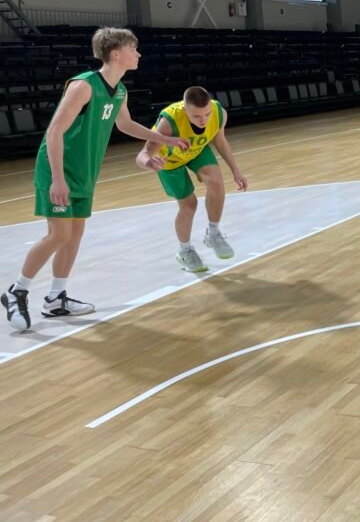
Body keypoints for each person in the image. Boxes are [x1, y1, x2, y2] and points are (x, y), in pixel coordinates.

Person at [2, 27, 189, 331]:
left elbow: (125, 124)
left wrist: (165, 140)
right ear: (116, 53)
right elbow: (54, 131)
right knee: (58, 234)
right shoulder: (84, 85)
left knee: (74, 234)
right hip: (57, 169)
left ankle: (56, 298)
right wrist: (57, 179)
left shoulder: (120, 90)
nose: (138, 53)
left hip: (84, 171)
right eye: (133, 48)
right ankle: (16, 291)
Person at [135, 86, 249, 273]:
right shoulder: (168, 122)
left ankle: (213, 233)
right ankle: (185, 250)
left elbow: (220, 141)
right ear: (184, 109)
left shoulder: (219, 112)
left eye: (207, 114)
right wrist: (149, 162)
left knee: (216, 182)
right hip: (169, 160)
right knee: (189, 205)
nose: (203, 120)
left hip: (196, 150)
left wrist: (236, 171)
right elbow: (142, 154)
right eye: (196, 116)